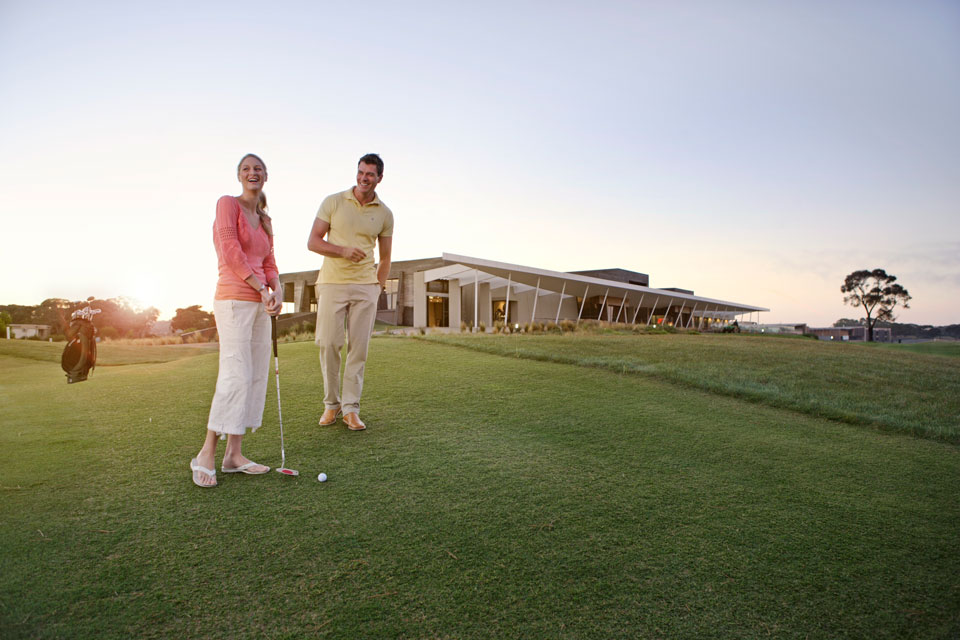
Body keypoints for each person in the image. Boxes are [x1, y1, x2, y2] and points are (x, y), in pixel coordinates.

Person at [190, 153, 283, 488]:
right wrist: (261, 287)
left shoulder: (266, 220)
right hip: (233, 300)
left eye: (257, 168)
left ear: (266, 176)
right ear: (239, 176)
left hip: (261, 303)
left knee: (255, 376)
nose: (252, 172)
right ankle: (205, 454)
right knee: (234, 376)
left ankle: (234, 455)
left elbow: (269, 261)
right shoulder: (226, 204)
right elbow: (231, 251)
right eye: (246, 169)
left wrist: (278, 289)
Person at [307, 153, 393, 431]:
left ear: (379, 178)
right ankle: (331, 404)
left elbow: (387, 258)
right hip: (332, 283)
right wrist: (342, 250)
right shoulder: (333, 202)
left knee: (359, 349)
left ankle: (350, 409)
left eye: (369, 174)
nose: (363, 178)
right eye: (360, 172)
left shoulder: (385, 214)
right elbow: (313, 242)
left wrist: (377, 288)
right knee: (329, 343)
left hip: (366, 287)